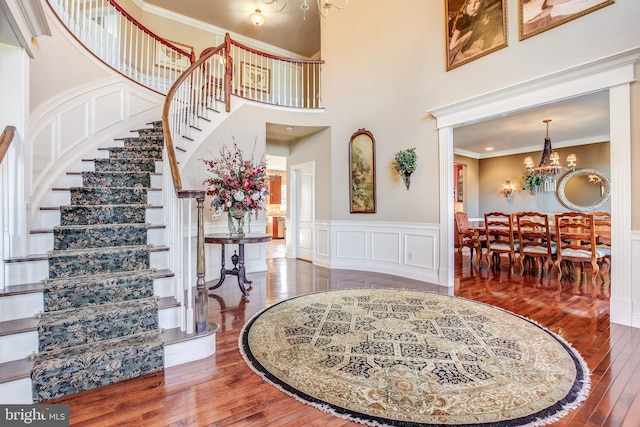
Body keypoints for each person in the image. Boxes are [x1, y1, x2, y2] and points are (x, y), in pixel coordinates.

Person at [448, 0, 505, 67]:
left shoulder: (480, 19)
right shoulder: (462, 20)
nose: (472, 6)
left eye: (477, 2)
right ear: (466, 5)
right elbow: (452, 46)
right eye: (470, 3)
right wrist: (468, 34)